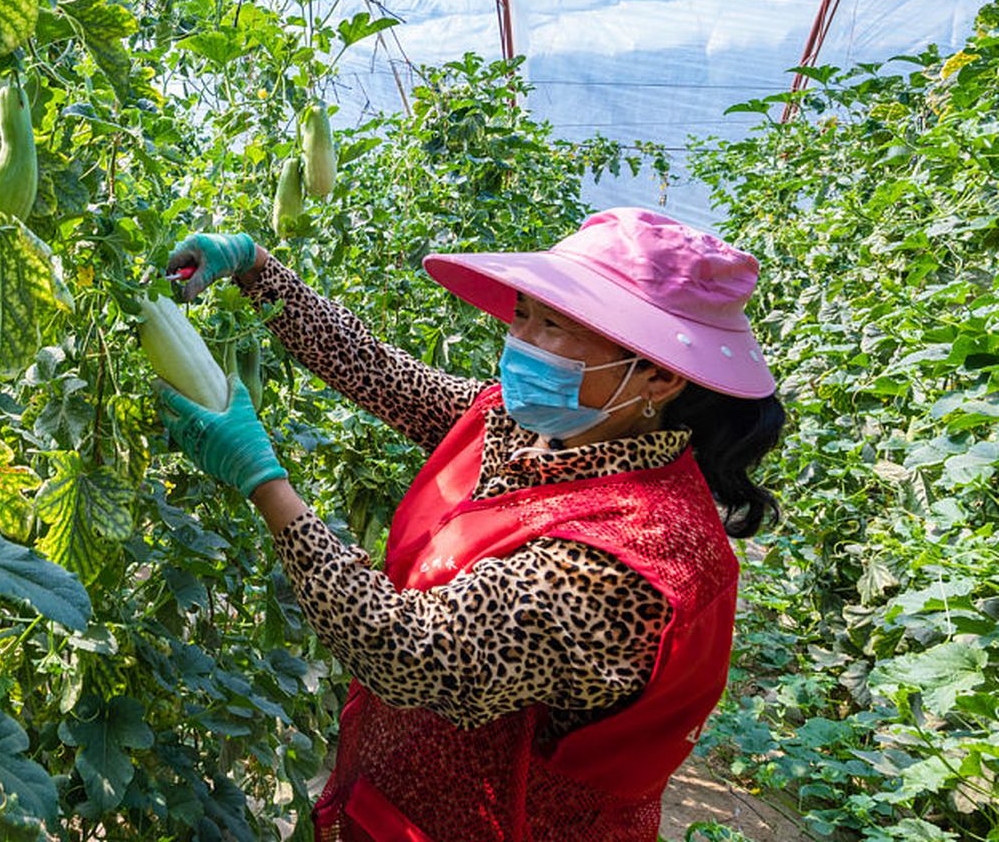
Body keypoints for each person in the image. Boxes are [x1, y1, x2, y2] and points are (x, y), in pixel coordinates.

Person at [159, 207, 785, 842]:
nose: (522, 342)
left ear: (658, 373)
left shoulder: (638, 556)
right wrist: (257, 267)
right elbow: (378, 373)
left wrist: (264, 481)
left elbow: (407, 651)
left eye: (556, 327)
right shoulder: (528, 427)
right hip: (394, 801)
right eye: (523, 315)